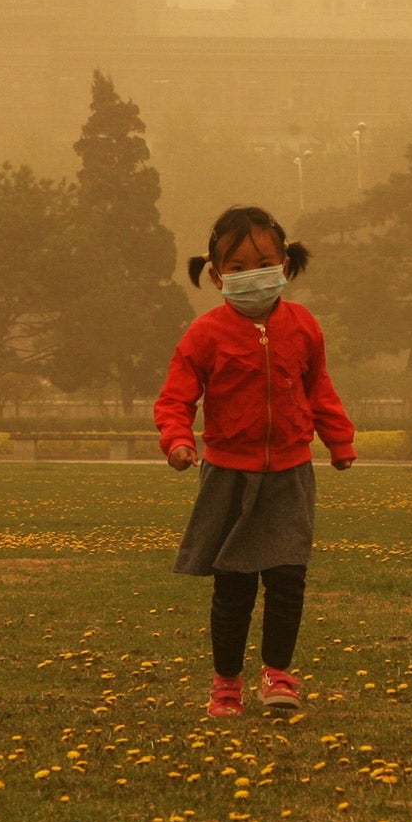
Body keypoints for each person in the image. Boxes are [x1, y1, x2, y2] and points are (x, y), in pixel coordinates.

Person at [156, 205, 356, 718]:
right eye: (237, 267)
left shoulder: (304, 326)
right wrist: (178, 441)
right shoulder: (204, 334)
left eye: (263, 262)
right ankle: (227, 684)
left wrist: (339, 441)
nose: (251, 275)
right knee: (235, 585)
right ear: (217, 274)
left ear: (285, 266)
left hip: (290, 473)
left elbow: (320, 389)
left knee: (288, 579)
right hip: (228, 475)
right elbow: (175, 400)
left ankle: (278, 674)